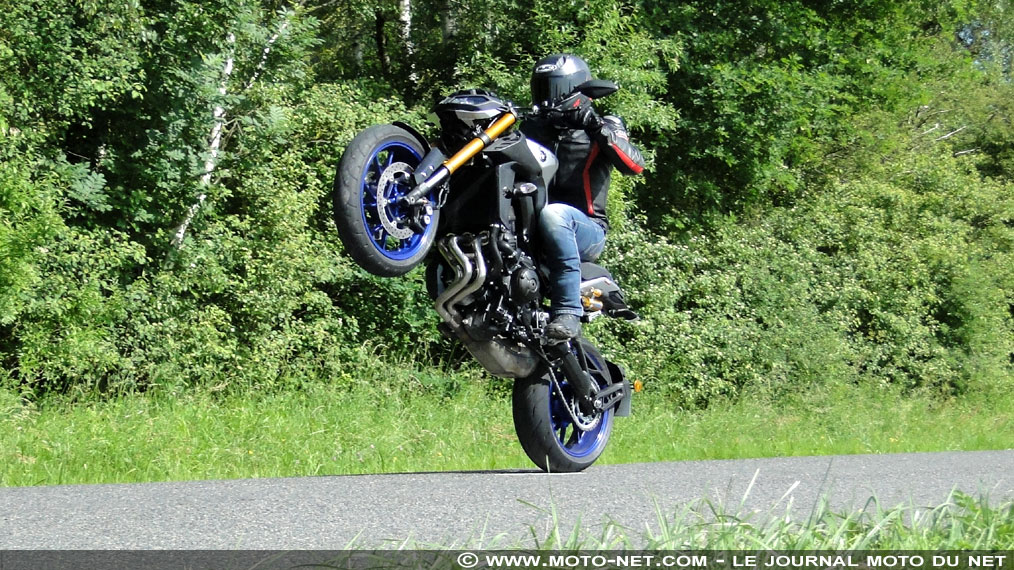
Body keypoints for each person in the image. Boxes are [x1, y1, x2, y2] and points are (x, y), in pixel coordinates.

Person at [521, 54, 646, 340]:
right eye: (541, 89)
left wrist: (593, 124)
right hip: (537, 229)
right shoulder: (531, 129)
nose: (547, 98)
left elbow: (635, 165)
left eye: (552, 89)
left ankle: (568, 311)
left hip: (586, 229)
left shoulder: (604, 124)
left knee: (555, 214)